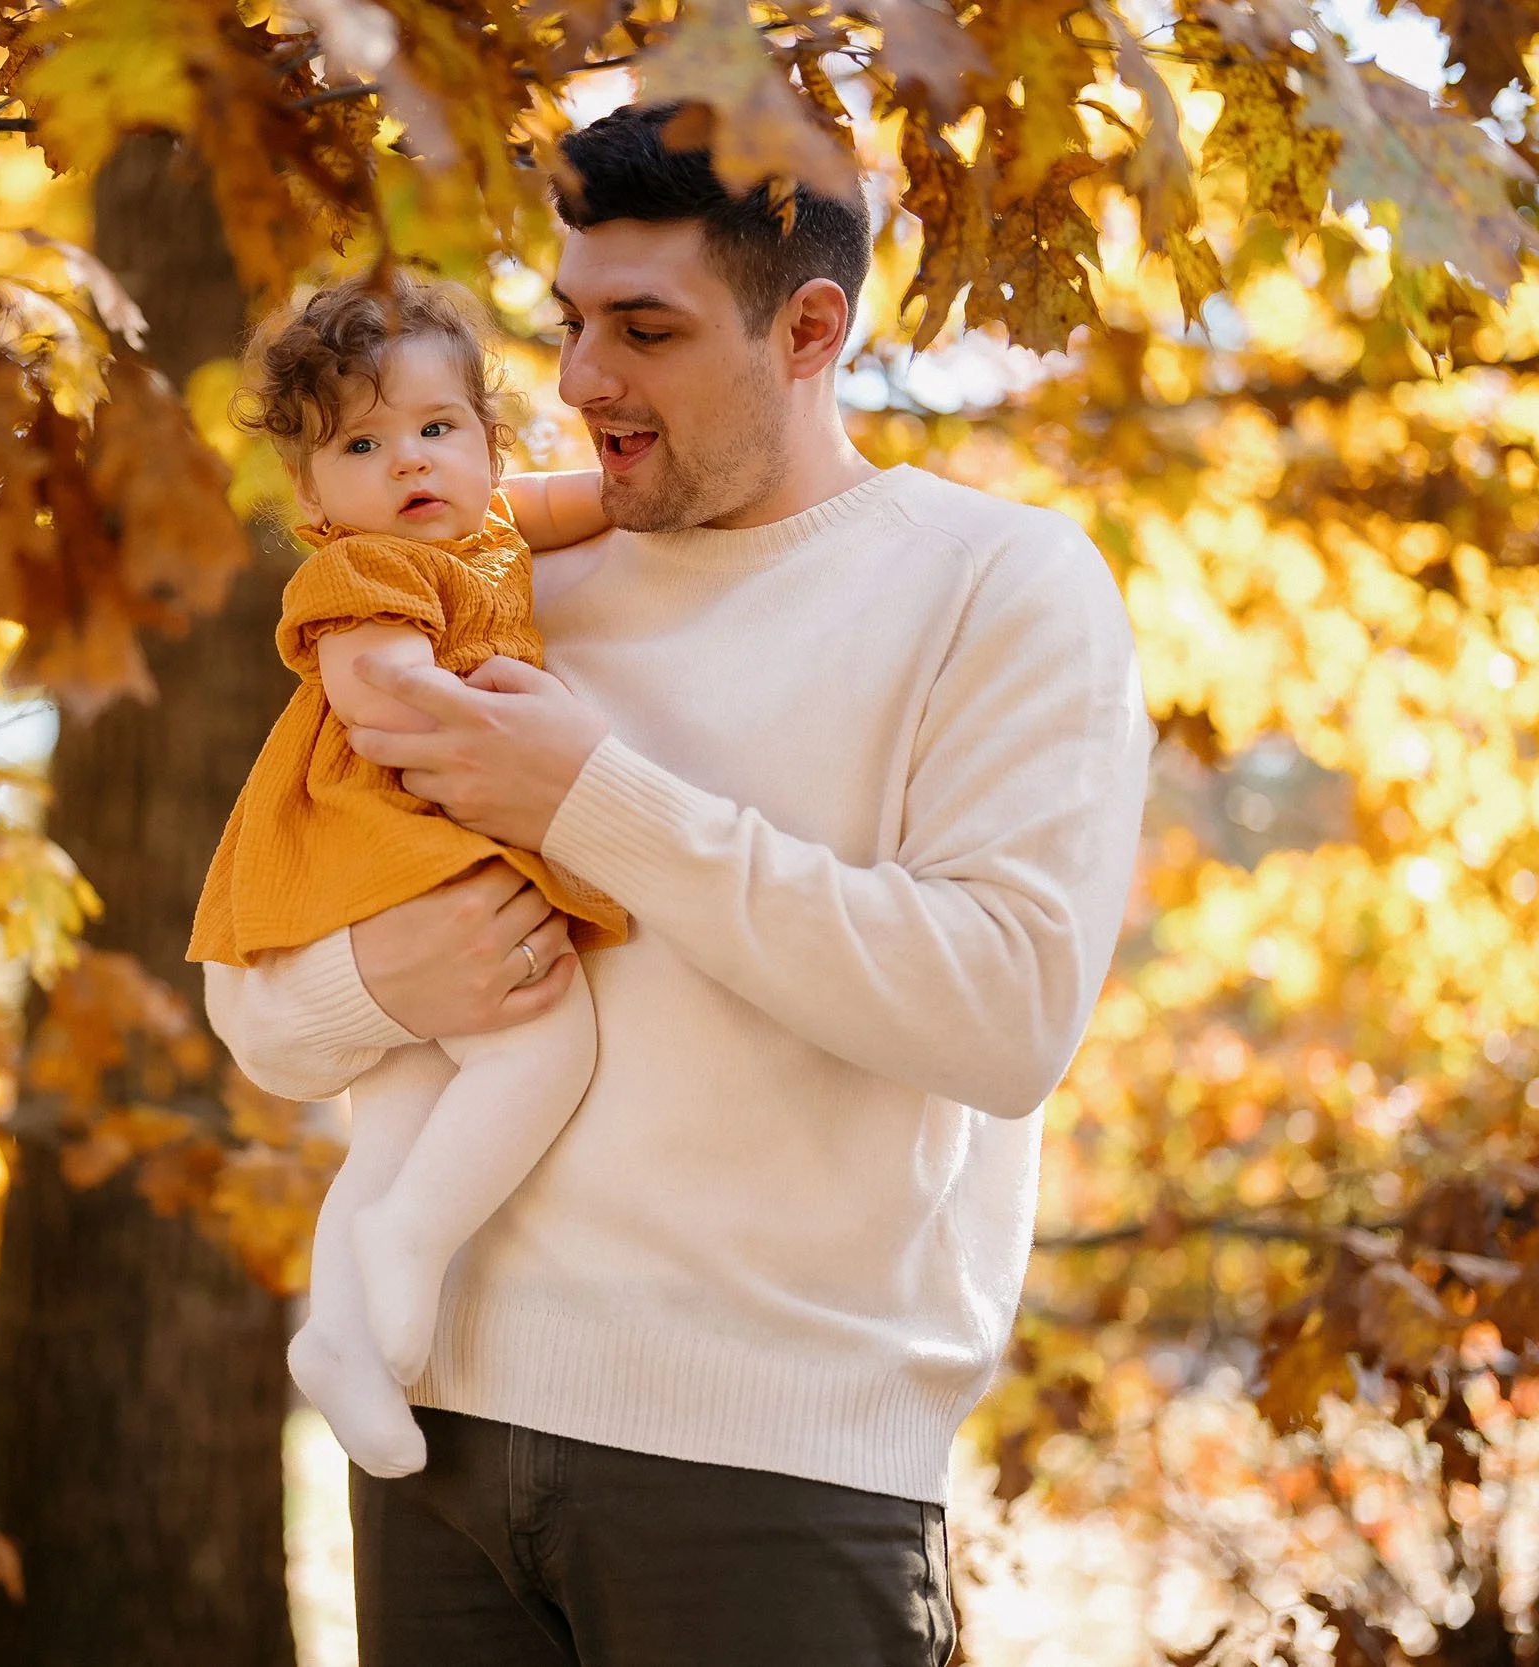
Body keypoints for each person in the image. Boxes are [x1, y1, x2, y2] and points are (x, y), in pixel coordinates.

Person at [205, 102, 1156, 1665]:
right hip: (429, 1447)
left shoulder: (996, 584)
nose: (582, 380)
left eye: (644, 329)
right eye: (573, 320)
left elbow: (1006, 1016)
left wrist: (588, 797)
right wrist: (385, 980)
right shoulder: (478, 588)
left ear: (809, 327)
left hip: (774, 1474)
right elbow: (258, 1000)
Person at [188, 272, 630, 1480]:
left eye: (439, 431)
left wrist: (646, 499)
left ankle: (341, 1343)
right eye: (363, 444)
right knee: (544, 1041)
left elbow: (585, 499)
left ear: (487, 444)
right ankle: (415, 1240)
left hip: (407, 852)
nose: (408, 465)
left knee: (392, 1109)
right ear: (310, 492)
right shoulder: (362, 569)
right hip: (391, 835)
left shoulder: (483, 531)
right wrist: (469, 708)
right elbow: (371, 684)